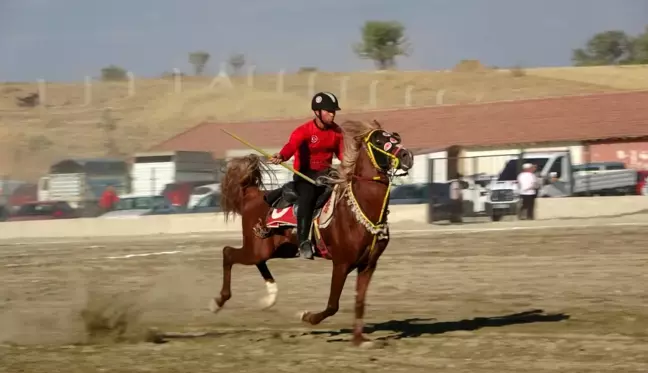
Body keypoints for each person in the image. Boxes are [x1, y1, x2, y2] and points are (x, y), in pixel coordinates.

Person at [268, 92, 344, 260]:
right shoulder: (304, 131)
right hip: (305, 176)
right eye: (329, 111)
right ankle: (303, 242)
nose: (333, 114)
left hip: (326, 175)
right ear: (317, 112)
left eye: (334, 111)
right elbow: (291, 146)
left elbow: (343, 155)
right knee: (308, 196)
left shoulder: (337, 132)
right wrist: (281, 156)